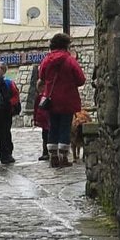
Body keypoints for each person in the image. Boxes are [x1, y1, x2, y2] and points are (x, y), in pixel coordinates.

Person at [34, 32, 86, 167]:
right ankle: (63, 157)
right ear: (66, 46)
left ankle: (53, 156)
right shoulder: (70, 60)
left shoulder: (46, 60)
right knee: (65, 127)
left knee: (53, 127)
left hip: (51, 99)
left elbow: (42, 77)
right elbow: (81, 79)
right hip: (67, 99)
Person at [24, 58, 49, 161]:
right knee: (46, 137)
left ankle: (46, 152)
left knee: (46, 137)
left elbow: (36, 109)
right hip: (45, 121)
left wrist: (36, 119)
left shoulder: (42, 97)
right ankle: (47, 152)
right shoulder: (44, 96)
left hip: (45, 121)